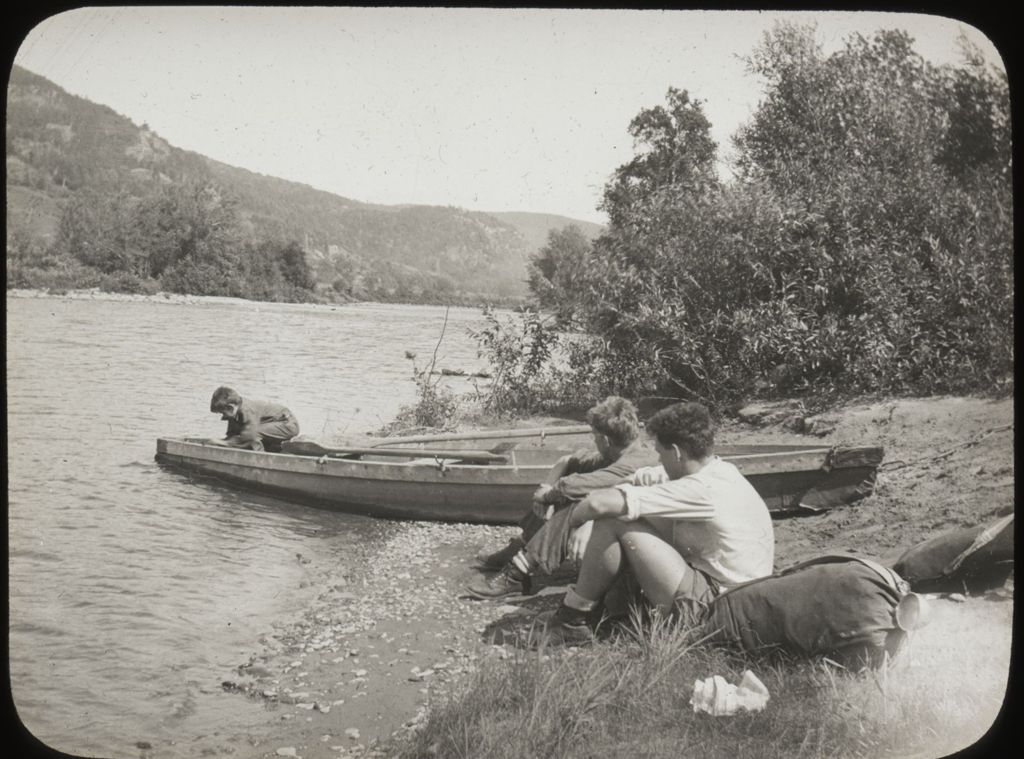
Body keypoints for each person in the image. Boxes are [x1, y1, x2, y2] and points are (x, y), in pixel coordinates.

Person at [533, 401, 775, 646]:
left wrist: (581, 521)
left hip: (719, 609)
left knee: (614, 522)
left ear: (677, 452)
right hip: (734, 595)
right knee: (631, 514)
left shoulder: (702, 489)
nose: (658, 460)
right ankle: (608, 613)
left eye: (660, 453)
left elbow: (599, 505)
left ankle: (573, 619)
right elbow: (636, 479)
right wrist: (600, 506)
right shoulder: (716, 471)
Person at [466, 396, 653, 599]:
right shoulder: (619, 453)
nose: (593, 440)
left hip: (642, 536)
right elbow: (568, 461)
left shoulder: (635, 462)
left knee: (572, 500)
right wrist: (546, 490)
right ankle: (518, 550)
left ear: (605, 440)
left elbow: (577, 486)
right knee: (564, 493)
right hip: (623, 522)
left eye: (594, 436)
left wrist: (548, 494)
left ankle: (516, 575)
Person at [207, 386, 299, 452]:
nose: (223, 416)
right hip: (273, 425)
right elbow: (232, 434)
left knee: (253, 433)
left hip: (287, 424)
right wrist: (223, 443)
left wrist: (224, 443)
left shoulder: (247, 410)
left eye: (223, 412)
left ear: (230, 407)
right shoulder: (234, 412)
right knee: (245, 434)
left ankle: (260, 458)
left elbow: (251, 436)